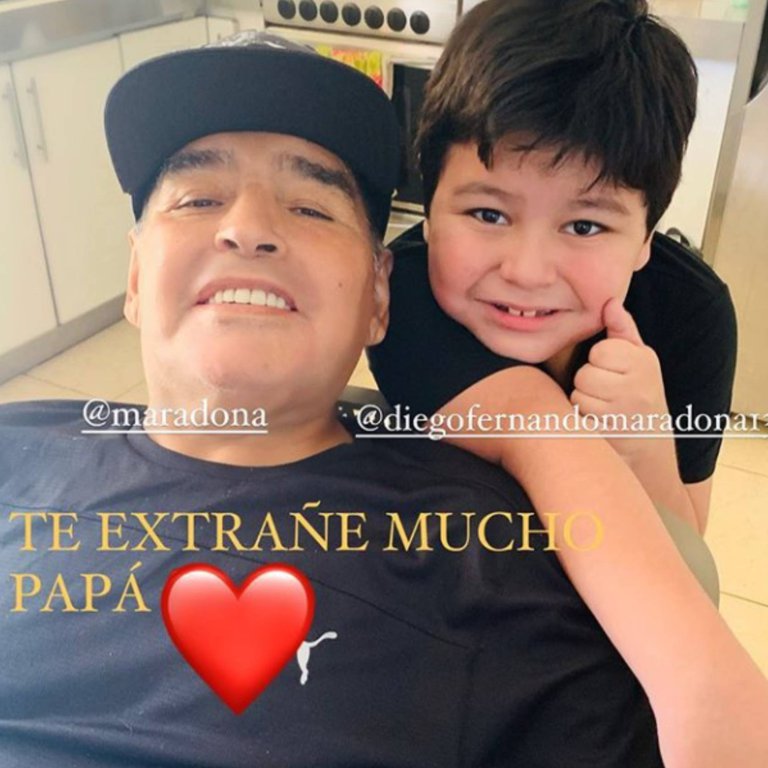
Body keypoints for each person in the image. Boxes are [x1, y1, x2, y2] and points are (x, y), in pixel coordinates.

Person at [0, 30, 766, 768]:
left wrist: (648, 449)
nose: (247, 228)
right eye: (197, 198)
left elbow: (684, 545)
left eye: (310, 207)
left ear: (377, 298)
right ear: (135, 275)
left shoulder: (498, 549)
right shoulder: (426, 312)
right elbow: (535, 426)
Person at [368, 0, 736, 534]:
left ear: (646, 238)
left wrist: (647, 446)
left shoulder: (691, 313)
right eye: (489, 214)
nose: (527, 272)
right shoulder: (400, 295)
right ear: (428, 211)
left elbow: (689, 545)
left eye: (584, 226)